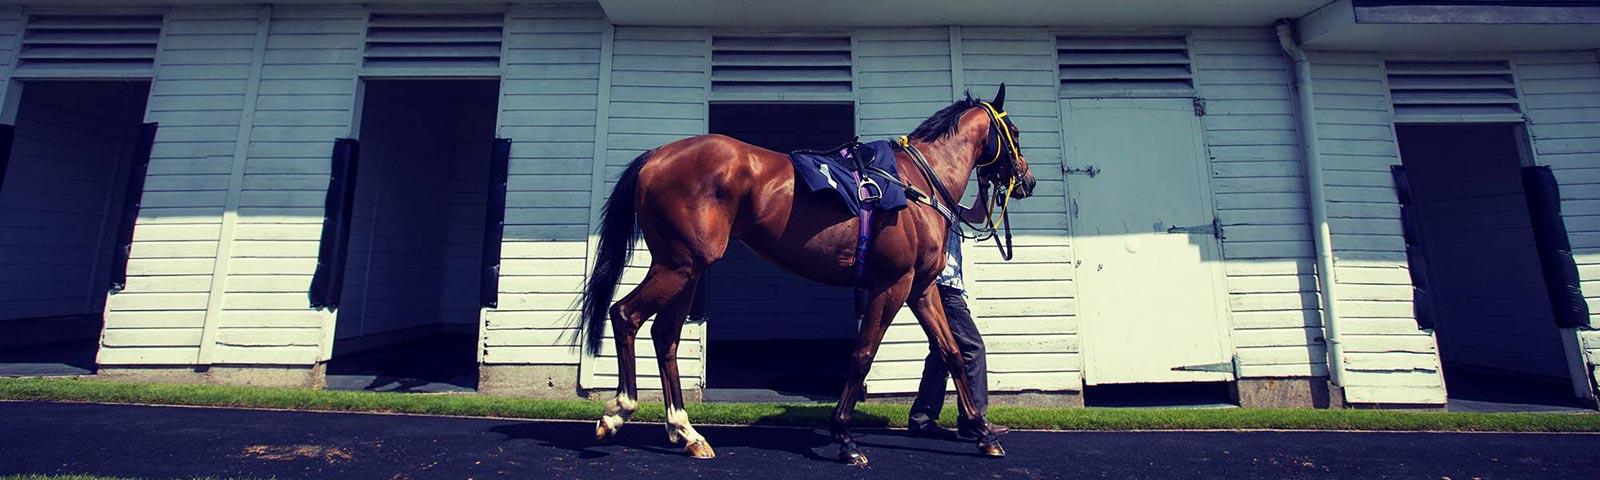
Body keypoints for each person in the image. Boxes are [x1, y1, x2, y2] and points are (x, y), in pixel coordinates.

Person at [907, 184, 1009, 440]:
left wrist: (986, 190)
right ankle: (974, 420)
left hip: (946, 286)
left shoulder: (948, 206)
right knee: (972, 348)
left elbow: (977, 217)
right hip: (943, 287)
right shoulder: (929, 203)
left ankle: (922, 418)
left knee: (940, 352)